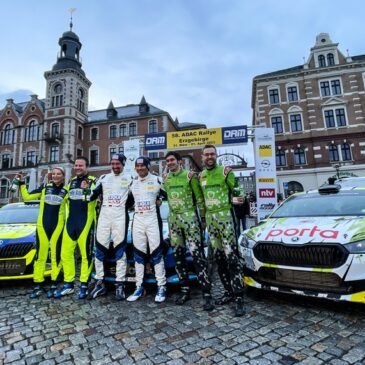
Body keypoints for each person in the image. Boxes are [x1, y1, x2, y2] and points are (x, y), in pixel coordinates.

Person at [163, 151, 214, 311]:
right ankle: (184, 289)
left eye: (172, 160)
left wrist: (203, 219)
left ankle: (207, 293)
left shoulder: (190, 176)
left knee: (197, 256)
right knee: (178, 257)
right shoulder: (166, 179)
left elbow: (200, 198)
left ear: (179, 161)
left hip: (191, 221)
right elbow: (164, 197)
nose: (170, 163)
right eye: (167, 161)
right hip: (174, 223)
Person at [199, 145, 245, 317]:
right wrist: (203, 219)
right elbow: (201, 201)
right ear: (202, 157)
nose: (209, 156)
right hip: (211, 223)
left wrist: (237, 202)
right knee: (219, 260)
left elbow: (239, 191)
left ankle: (239, 297)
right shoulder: (201, 175)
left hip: (226, 219)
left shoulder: (226, 171)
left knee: (232, 259)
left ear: (216, 155)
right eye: (207, 154)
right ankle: (228, 292)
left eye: (212, 154)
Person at [17, 168, 68, 298]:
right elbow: (27, 197)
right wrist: (22, 183)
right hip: (42, 226)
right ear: (51, 175)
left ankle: (54, 284)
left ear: (63, 176)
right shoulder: (44, 187)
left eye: (59, 174)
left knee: (56, 256)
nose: (56, 176)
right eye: (54, 174)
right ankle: (38, 284)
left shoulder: (66, 191)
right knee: (40, 256)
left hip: (58, 226)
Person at [87, 153, 131, 300]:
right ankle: (100, 284)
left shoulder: (130, 178)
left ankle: (120, 284)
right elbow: (92, 195)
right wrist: (85, 191)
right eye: (112, 163)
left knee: (120, 251)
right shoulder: (104, 178)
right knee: (99, 249)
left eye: (117, 163)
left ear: (123, 164)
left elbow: (138, 196)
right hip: (104, 216)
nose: (115, 166)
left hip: (120, 217)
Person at [54, 157, 97, 299]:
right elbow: (60, 197)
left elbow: (97, 196)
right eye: (76, 165)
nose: (78, 167)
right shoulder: (71, 182)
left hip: (86, 223)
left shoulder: (93, 181)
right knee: (65, 254)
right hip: (71, 223)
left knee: (86, 256)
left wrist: (87, 190)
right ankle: (69, 284)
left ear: (87, 166)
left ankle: (84, 284)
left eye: (81, 165)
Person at [127, 156, 167, 302]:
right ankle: (139, 287)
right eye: (137, 166)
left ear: (148, 166)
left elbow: (168, 195)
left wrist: (161, 200)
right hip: (138, 220)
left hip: (152, 220)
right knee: (138, 254)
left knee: (156, 253)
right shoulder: (133, 182)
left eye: (142, 166)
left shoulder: (157, 180)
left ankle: (161, 287)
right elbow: (127, 201)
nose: (139, 168)